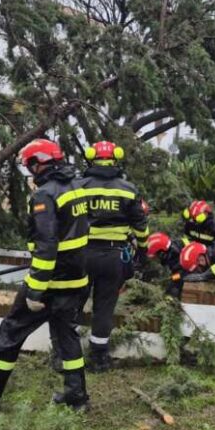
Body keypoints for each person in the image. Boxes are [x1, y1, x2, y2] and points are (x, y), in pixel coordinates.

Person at [0, 138, 91, 412]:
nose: (30, 173)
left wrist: (35, 292)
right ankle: (77, 399)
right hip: (76, 281)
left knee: (9, 334)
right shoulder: (77, 187)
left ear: (38, 164)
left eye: (30, 166)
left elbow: (46, 246)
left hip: (50, 284)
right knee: (68, 339)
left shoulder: (45, 195)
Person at [78, 140, 150, 371]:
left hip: (81, 255)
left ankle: (65, 353)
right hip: (113, 256)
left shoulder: (78, 186)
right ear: (116, 158)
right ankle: (98, 359)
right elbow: (140, 226)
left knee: (73, 303)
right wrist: (142, 252)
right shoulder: (128, 189)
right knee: (104, 307)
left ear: (91, 158)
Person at [145, 232, 185, 298]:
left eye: (155, 256)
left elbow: (181, 275)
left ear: (162, 254)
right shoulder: (176, 244)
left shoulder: (177, 260)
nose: (155, 259)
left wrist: (170, 279)